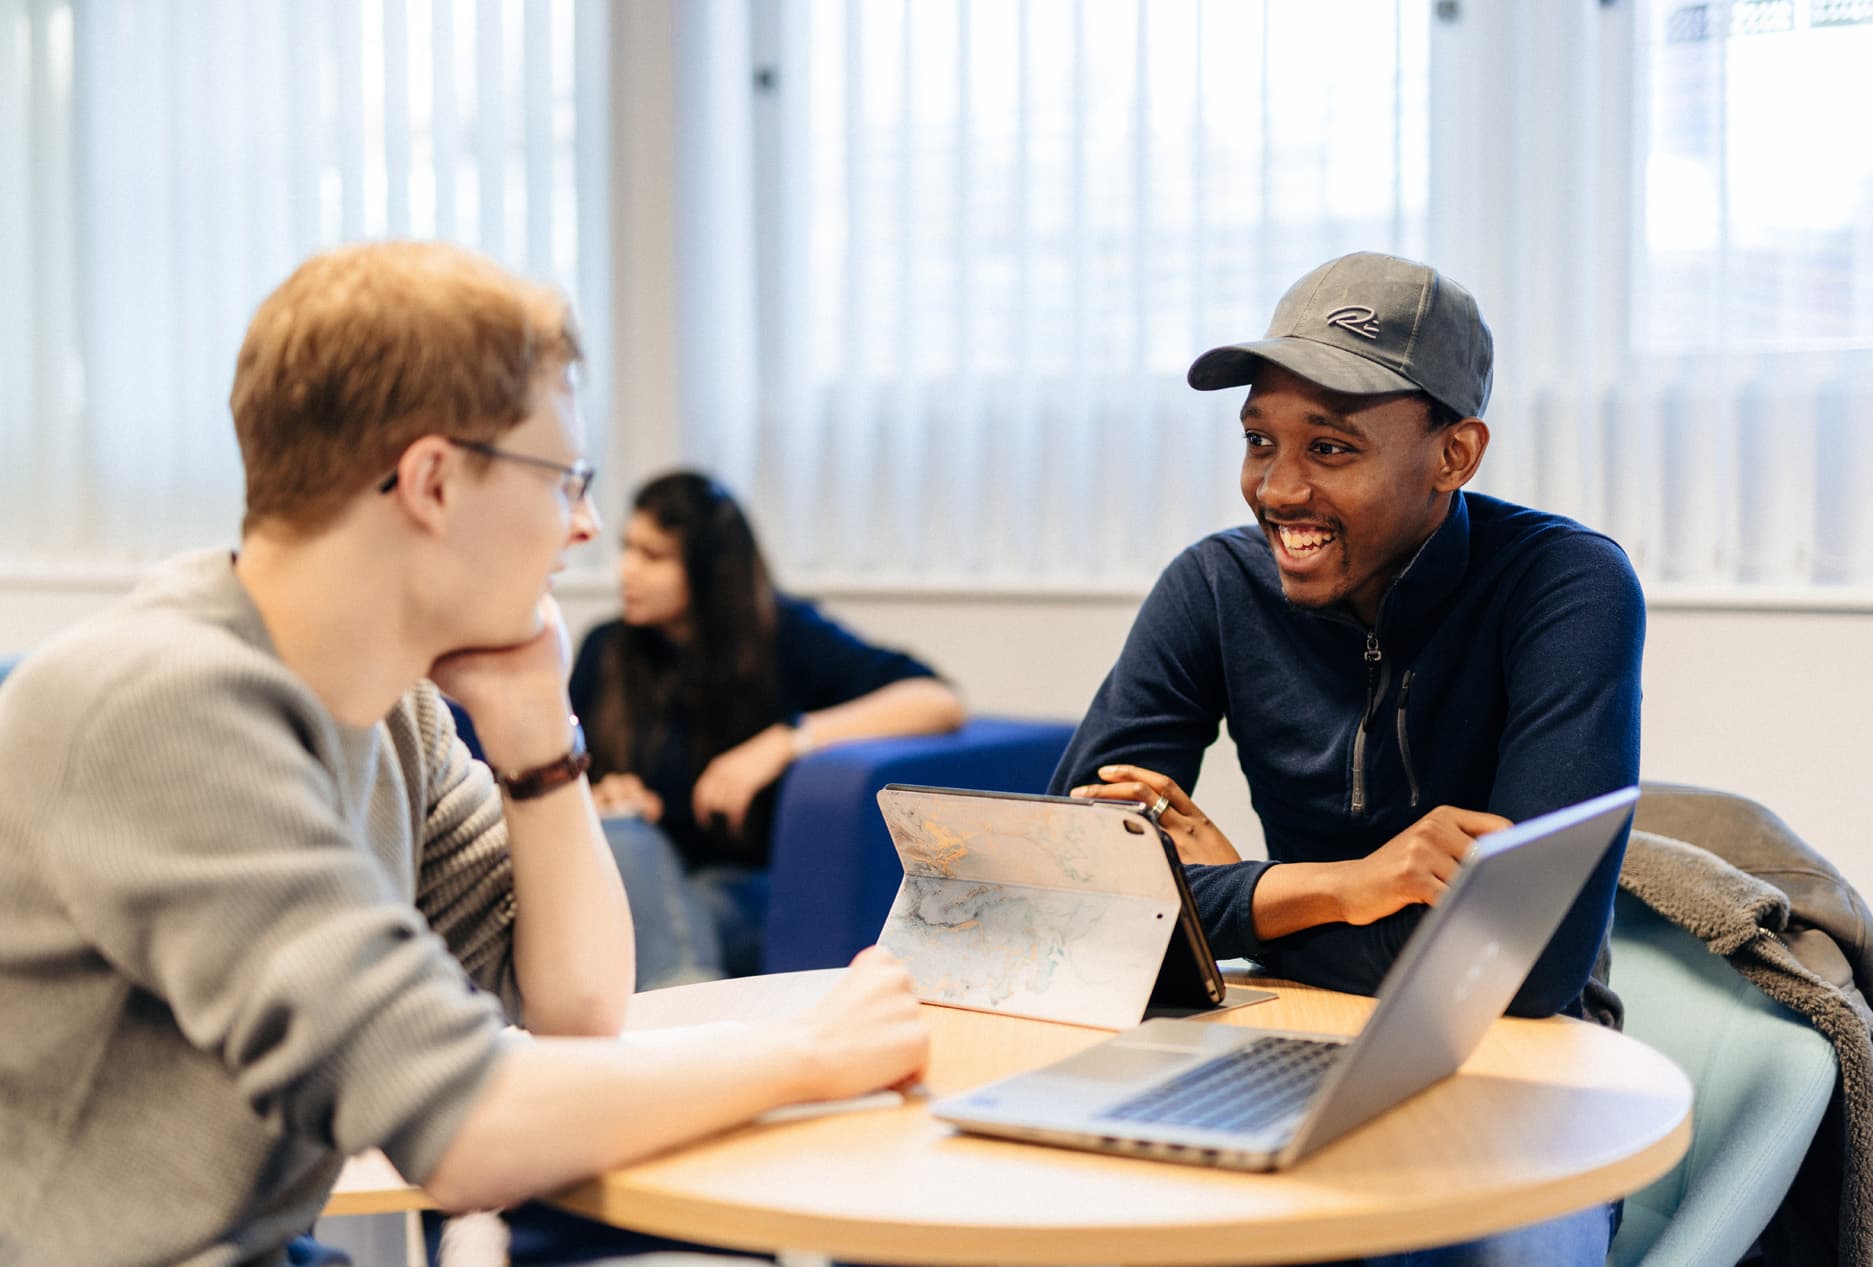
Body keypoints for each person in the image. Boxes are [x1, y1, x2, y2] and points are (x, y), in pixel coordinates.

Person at [0, 241, 928, 1267]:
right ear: (434, 481)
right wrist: (805, 1054)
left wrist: (537, 734)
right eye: (563, 478)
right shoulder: (163, 706)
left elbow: (580, 1008)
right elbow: (468, 1135)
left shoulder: (393, 711)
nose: (580, 526)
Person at [1052, 251, 1643, 1266]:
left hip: (1519, 1068)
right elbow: (1066, 897)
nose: (1278, 490)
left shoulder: (1565, 587)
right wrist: (1338, 889)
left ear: (1454, 454)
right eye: (1257, 441)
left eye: (1330, 447)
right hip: (1284, 1039)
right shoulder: (1211, 587)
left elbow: (1523, 971)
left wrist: (1229, 898)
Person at [566, 470, 965, 985]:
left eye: (654, 556)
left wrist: (785, 741)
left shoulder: (783, 636)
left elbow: (937, 700)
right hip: (630, 875)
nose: (626, 571)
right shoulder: (605, 649)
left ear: (708, 568)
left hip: (743, 887)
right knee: (626, 839)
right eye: (627, 549)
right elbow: (567, 777)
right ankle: (703, 1039)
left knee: (687, 917)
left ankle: (687, 1030)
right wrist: (600, 796)